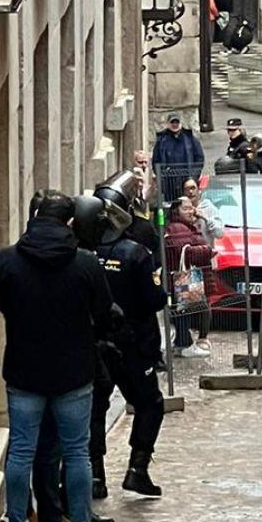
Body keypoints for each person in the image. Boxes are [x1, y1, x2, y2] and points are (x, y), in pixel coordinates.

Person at [0, 191, 113, 522]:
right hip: (73, 370)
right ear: (70, 222)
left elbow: (2, 301)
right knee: (76, 453)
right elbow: (103, 312)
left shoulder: (9, 260)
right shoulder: (85, 264)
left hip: (25, 368)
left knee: (21, 451)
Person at [86, 184, 170, 498]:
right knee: (150, 404)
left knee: (95, 408)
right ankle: (138, 468)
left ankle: (95, 474)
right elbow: (154, 299)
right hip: (133, 344)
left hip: (96, 344)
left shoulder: (83, 255)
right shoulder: (135, 253)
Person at [164, 197, 214, 358]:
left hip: (185, 276)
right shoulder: (178, 228)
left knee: (185, 308)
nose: (190, 211)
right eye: (185, 208)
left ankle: (182, 341)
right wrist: (207, 251)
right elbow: (185, 251)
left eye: (191, 207)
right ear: (176, 211)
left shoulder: (186, 226)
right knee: (184, 308)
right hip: (184, 277)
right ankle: (184, 344)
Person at [152, 114, 206, 204]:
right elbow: (155, 162)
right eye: (172, 122)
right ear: (168, 124)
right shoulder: (161, 141)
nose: (175, 124)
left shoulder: (190, 139)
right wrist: (162, 177)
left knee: (189, 207)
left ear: (180, 123)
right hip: (169, 185)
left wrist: (193, 176)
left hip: (187, 181)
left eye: (177, 122)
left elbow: (200, 158)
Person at [183, 177, 225, 243]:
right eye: (187, 189)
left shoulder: (209, 208)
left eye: (193, 188)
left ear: (199, 190)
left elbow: (219, 234)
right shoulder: (181, 210)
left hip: (205, 250)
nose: (190, 192)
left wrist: (205, 218)